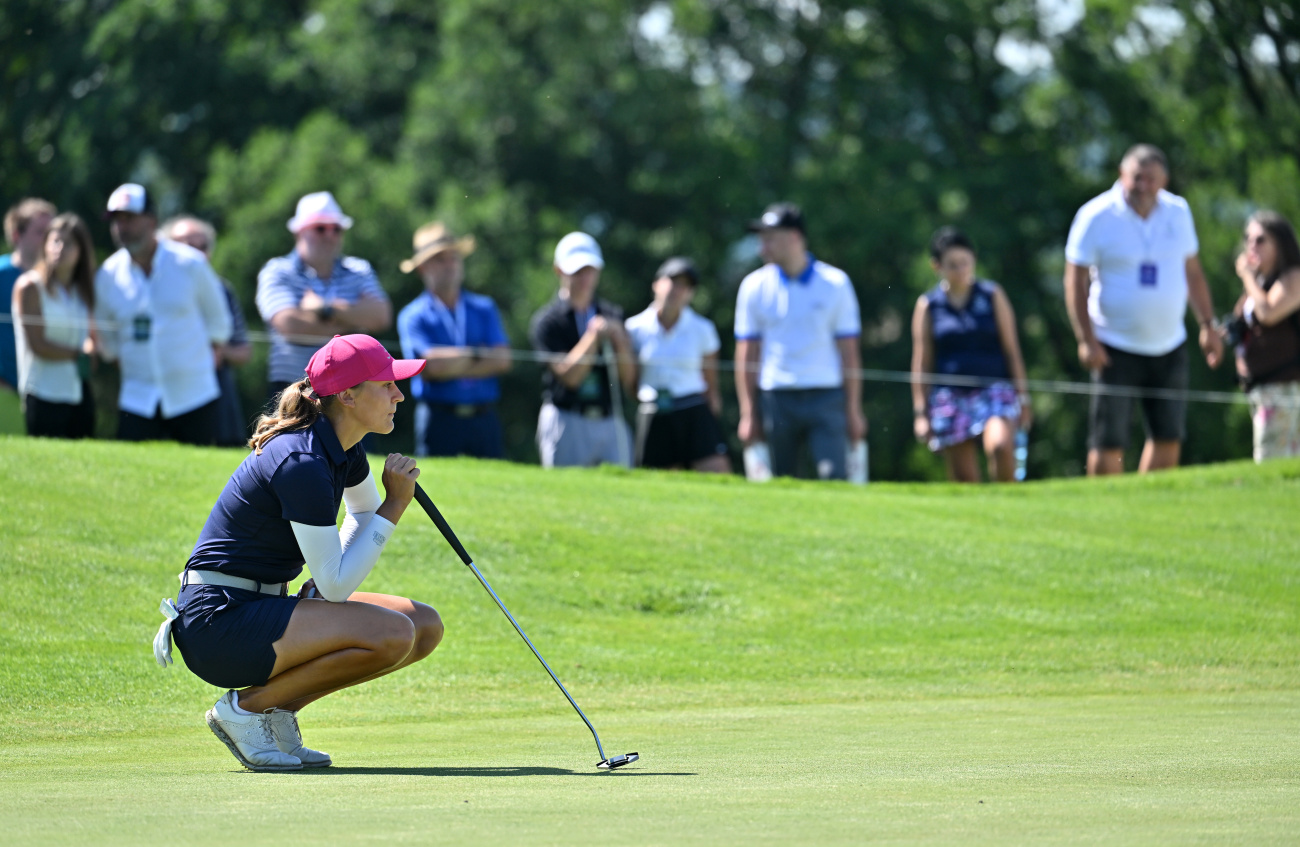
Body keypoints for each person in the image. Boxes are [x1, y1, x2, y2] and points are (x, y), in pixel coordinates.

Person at [156, 333, 442, 772]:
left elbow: (361, 510)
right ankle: (247, 711)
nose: (398, 395)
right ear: (347, 395)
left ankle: (278, 712)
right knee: (394, 633)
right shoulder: (302, 460)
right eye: (386, 385)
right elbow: (336, 580)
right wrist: (397, 505)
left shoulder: (341, 445)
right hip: (218, 624)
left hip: (261, 607)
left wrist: (337, 574)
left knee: (423, 626)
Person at [1064, 144, 1223, 475]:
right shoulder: (1096, 215)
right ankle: (1104, 513)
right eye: (1137, 178)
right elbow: (1074, 281)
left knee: (1168, 435)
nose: (1143, 186)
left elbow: (1192, 272)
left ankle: (1148, 508)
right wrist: (1086, 339)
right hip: (1113, 344)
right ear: (1122, 175)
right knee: (1108, 441)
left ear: (1163, 179)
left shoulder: (1178, 212)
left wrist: (1207, 324)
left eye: (1151, 179)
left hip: (1169, 343)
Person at [734, 202, 865, 480]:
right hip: (776, 398)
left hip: (826, 397)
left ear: (794, 237)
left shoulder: (835, 283)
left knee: (833, 479)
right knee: (781, 484)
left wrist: (854, 411)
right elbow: (747, 354)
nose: (762, 248)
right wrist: (748, 413)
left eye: (769, 239)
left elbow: (849, 354)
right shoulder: (753, 286)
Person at [94, 184, 233, 445]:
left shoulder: (191, 263)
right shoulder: (107, 276)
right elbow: (107, 339)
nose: (122, 227)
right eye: (116, 220)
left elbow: (219, 322)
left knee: (199, 478)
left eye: (129, 218)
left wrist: (202, 361)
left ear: (152, 220)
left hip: (195, 395)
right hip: (137, 398)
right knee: (130, 476)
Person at [910, 227, 1032, 482]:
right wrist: (921, 414)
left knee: (1000, 446)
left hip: (994, 390)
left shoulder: (992, 296)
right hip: (950, 397)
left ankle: (1009, 509)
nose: (961, 269)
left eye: (965, 262)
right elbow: (921, 363)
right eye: (952, 265)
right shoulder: (928, 306)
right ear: (937, 266)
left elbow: (1012, 351)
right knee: (966, 481)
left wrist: (1024, 399)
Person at [256, 192, 392, 402]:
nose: (330, 235)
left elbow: (381, 316)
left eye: (336, 229)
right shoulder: (277, 270)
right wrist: (351, 331)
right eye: (320, 228)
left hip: (353, 388)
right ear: (299, 232)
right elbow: (289, 324)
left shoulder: (359, 269)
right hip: (294, 388)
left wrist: (324, 309)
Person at [396, 222, 511, 458]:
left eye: (453, 257)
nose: (449, 265)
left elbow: (502, 360)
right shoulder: (412, 316)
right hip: (439, 419)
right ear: (422, 268)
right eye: (440, 259)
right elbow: (428, 367)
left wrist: (449, 362)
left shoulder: (484, 307)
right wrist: (477, 354)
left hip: (484, 418)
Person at [529, 232, 636, 468]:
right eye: (577, 271)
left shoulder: (613, 314)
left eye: (590, 270)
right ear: (559, 271)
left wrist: (620, 341)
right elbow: (570, 377)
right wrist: (593, 337)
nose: (584, 277)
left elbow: (629, 381)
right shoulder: (547, 322)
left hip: (609, 420)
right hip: (567, 419)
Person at [624, 257, 730, 472]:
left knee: (717, 475)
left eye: (685, 285)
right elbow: (631, 381)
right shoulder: (634, 329)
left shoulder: (703, 329)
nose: (677, 290)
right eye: (672, 281)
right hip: (655, 412)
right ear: (656, 284)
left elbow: (710, 381)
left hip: (694, 410)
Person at [161, 215, 254, 447]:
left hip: (218, 392)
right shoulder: (153, 288)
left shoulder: (222, 289)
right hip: (166, 389)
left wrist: (219, 351)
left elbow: (244, 351)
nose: (196, 252)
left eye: (202, 246)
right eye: (186, 245)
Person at [12, 213, 97, 438]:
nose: (60, 248)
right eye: (55, 241)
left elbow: (89, 336)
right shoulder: (30, 286)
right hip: (43, 393)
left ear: (81, 250)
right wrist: (79, 354)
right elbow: (38, 345)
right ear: (45, 246)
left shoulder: (82, 292)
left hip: (78, 391)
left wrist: (90, 348)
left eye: (68, 243)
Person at [1226, 211, 1300, 461]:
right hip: (1261, 386)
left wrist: (1247, 275)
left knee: (1272, 459)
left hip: (1286, 386)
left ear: (1280, 243)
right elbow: (1240, 324)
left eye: (1260, 240)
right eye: (1248, 239)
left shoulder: (1293, 277)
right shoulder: (1259, 283)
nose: (1251, 246)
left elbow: (1268, 312)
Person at [1, 198, 56, 431]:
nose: (48, 241)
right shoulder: (1, 274)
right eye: (40, 232)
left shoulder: (59, 282)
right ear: (16, 235)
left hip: (46, 392)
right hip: (4, 391)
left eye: (52, 233)